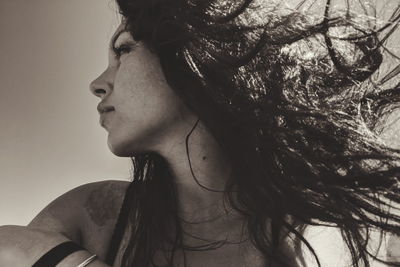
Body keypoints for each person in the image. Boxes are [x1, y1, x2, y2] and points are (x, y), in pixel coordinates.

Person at [1, 0, 400, 266]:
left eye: (122, 51)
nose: (97, 83)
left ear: (193, 53)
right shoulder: (93, 215)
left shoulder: (344, 239)